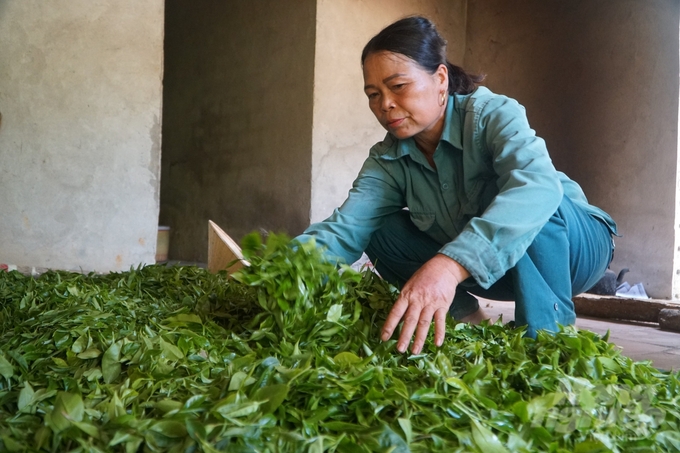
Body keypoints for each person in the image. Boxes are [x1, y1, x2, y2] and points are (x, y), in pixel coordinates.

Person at [296, 16, 617, 354]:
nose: (385, 104)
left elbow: (537, 188)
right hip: (497, 269)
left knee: (516, 194)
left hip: (574, 248)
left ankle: (548, 346)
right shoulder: (388, 159)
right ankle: (468, 323)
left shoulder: (493, 114)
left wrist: (448, 267)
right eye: (374, 94)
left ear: (440, 79)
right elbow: (346, 228)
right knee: (379, 228)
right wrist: (279, 270)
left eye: (398, 86)